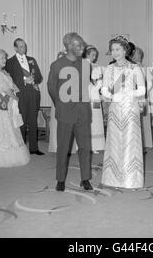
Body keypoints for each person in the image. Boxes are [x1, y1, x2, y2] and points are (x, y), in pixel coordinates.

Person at [47, 32, 93, 192]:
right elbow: (52, 88)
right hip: (65, 112)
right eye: (78, 45)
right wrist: (60, 105)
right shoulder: (57, 65)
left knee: (85, 147)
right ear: (68, 47)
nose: (82, 47)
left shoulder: (86, 65)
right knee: (63, 148)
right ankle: (60, 179)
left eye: (82, 44)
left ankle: (85, 178)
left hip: (83, 113)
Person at [101, 36, 146, 189]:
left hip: (130, 108)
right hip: (115, 107)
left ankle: (131, 180)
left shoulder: (135, 68)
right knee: (114, 142)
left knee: (129, 143)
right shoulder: (109, 68)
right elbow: (104, 89)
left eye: (118, 49)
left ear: (125, 50)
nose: (115, 53)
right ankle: (111, 179)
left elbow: (142, 89)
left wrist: (128, 93)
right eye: (112, 50)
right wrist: (113, 96)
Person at [5, 38, 44, 156]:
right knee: (20, 121)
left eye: (24, 46)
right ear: (15, 48)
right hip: (20, 94)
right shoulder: (9, 62)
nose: (23, 48)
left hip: (32, 93)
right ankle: (21, 148)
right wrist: (23, 81)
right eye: (20, 46)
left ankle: (33, 148)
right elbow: (8, 80)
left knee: (33, 121)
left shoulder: (32, 60)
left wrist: (34, 79)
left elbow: (39, 77)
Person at [48, 50, 77, 155]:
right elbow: (51, 86)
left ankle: (69, 148)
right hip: (57, 101)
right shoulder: (54, 69)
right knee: (57, 125)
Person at [82, 45, 105, 154]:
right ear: (87, 54)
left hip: (95, 95)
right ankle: (87, 145)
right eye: (93, 55)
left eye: (95, 55)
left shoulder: (96, 66)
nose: (94, 57)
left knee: (96, 121)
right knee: (88, 122)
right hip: (88, 96)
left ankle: (94, 145)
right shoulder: (82, 65)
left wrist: (99, 83)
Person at [131, 46, 153, 149]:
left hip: (142, 96)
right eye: (134, 55)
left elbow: (149, 82)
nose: (136, 57)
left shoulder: (144, 68)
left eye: (137, 55)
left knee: (144, 120)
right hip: (132, 97)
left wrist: (142, 93)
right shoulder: (129, 67)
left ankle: (145, 143)